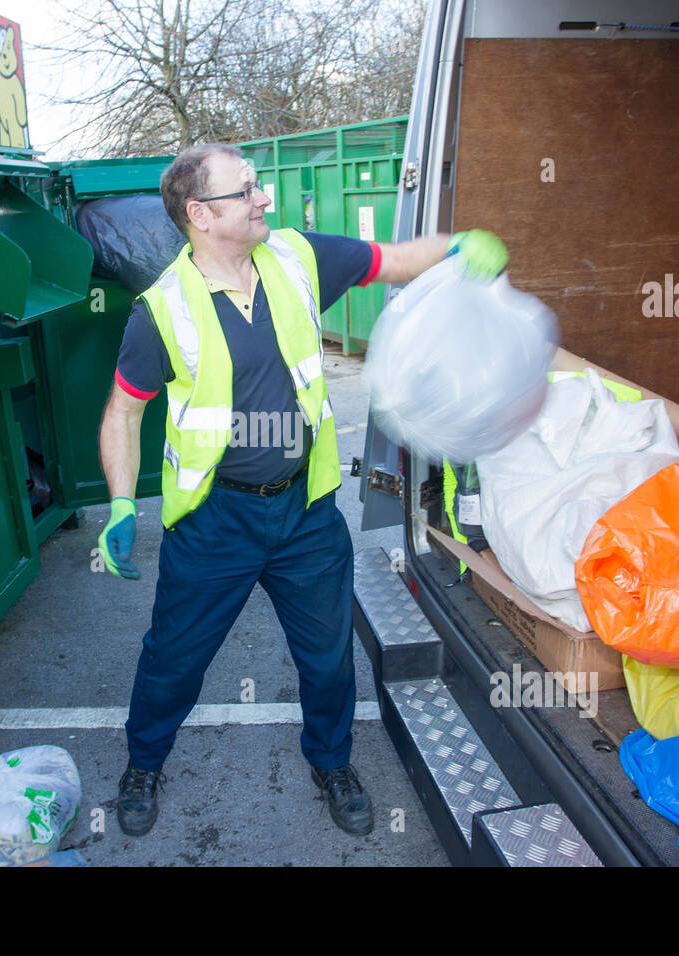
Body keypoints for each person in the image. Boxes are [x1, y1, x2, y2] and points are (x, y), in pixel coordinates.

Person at [96, 142, 507, 837]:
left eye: (257, 187)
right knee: (173, 659)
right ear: (199, 213)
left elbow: (393, 261)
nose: (264, 200)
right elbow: (123, 411)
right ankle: (143, 761)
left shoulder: (295, 258)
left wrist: (459, 246)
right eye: (246, 191)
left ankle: (332, 760)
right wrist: (117, 505)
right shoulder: (161, 311)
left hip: (305, 512)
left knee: (325, 657)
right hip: (214, 522)